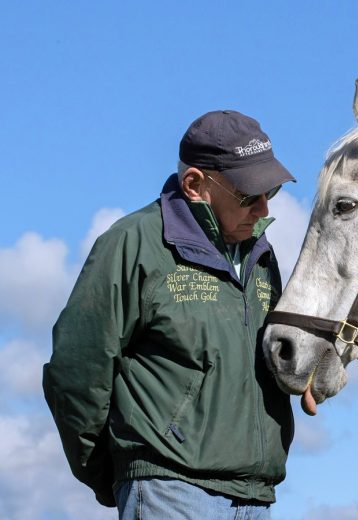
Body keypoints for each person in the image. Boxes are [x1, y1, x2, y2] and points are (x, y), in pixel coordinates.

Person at [42, 110, 296, 519]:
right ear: (195, 184)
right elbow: (75, 370)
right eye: (249, 195)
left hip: (255, 498)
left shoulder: (261, 256)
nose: (264, 208)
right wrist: (117, 471)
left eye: (272, 192)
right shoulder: (132, 244)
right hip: (169, 491)